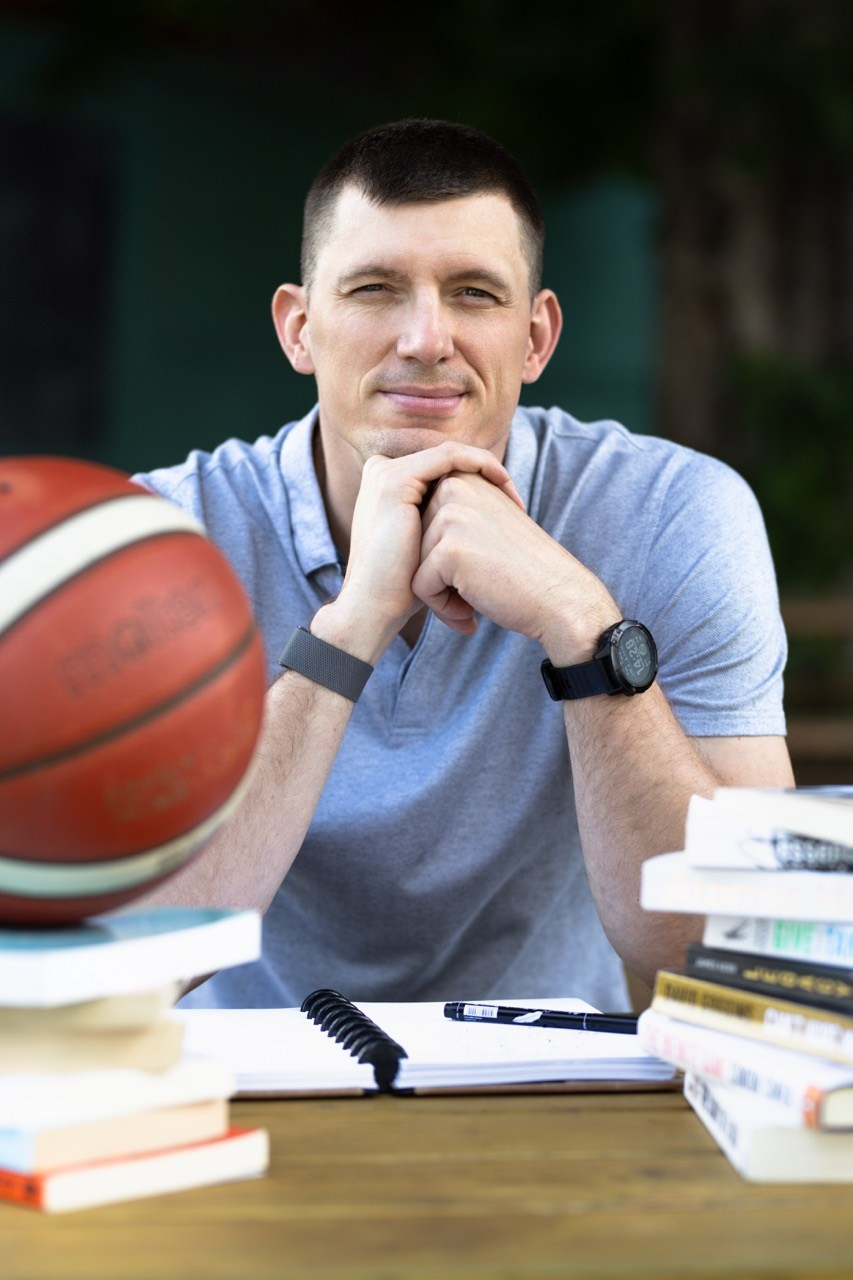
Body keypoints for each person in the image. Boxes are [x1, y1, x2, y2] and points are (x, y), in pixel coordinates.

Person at [134, 118, 794, 1012]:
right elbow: (123, 957)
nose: (424, 338)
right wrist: (350, 628)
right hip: (236, 1079)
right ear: (299, 328)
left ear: (535, 338)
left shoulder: (671, 511)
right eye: (374, 289)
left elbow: (738, 944)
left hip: (553, 1078)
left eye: (474, 294)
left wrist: (581, 625)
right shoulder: (158, 542)